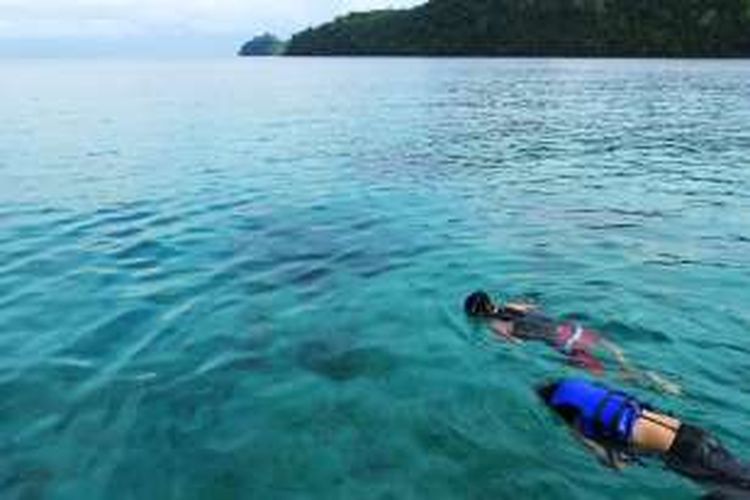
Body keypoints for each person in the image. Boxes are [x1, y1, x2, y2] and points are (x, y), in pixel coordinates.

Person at [537, 378, 750, 496]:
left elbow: (617, 466)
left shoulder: (579, 424)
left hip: (685, 454)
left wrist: (595, 450)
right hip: (694, 433)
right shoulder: (601, 395)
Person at [464, 290, 681, 395]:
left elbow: (515, 344)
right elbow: (532, 307)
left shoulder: (494, 325)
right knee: (618, 357)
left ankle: (648, 380)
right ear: (491, 301)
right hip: (572, 329)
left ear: (476, 314)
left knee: (605, 374)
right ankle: (641, 371)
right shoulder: (510, 305)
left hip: (562, 343)